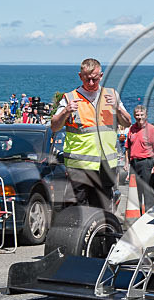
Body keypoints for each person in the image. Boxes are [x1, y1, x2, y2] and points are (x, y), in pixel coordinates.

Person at [50, 58, 131, 210]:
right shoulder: (70, 98)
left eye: (95, 79)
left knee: (102, 207)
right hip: (79, 165)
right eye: (87, 79)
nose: (91, 83)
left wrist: (117, 108)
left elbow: (127, 122)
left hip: (105, 164)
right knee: (78, 207)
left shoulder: (111, 95)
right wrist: (66, 111)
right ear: (80, 76)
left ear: (101, 76)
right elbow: (54, 127)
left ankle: (102, 226)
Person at [125, 105, 154, 212]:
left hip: (146, 163)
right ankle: (138, 216)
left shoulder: (151, 129)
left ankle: (150, 216)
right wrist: (127, 163)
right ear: (134, 116)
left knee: (147, 191)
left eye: (142, 115)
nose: (139, 117)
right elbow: (127, 148)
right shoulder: (132, 129)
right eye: (137, 115)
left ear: (146, 115)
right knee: (135, 193)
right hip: (134, 164)